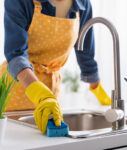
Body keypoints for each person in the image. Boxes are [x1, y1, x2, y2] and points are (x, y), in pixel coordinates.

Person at [1, 0, 111, 134]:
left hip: (51, 90)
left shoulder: (82, 4)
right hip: (14, 91)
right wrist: (39, 93)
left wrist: (97, 89)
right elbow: (16, 54)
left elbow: (85, 53)